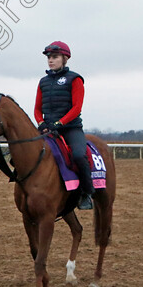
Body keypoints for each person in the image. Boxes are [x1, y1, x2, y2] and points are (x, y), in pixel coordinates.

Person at [34, 41, 95, 210]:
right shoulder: (43, 82)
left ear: (64, 58)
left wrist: (59, 123)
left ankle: (86, 193)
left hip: (71, 128)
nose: (50, 61)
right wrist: (41, 123)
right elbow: (37, 109)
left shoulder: (74, 79)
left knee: (77, 155)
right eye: (49, 58)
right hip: (48, 129)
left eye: (54, 57)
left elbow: (77, 108)